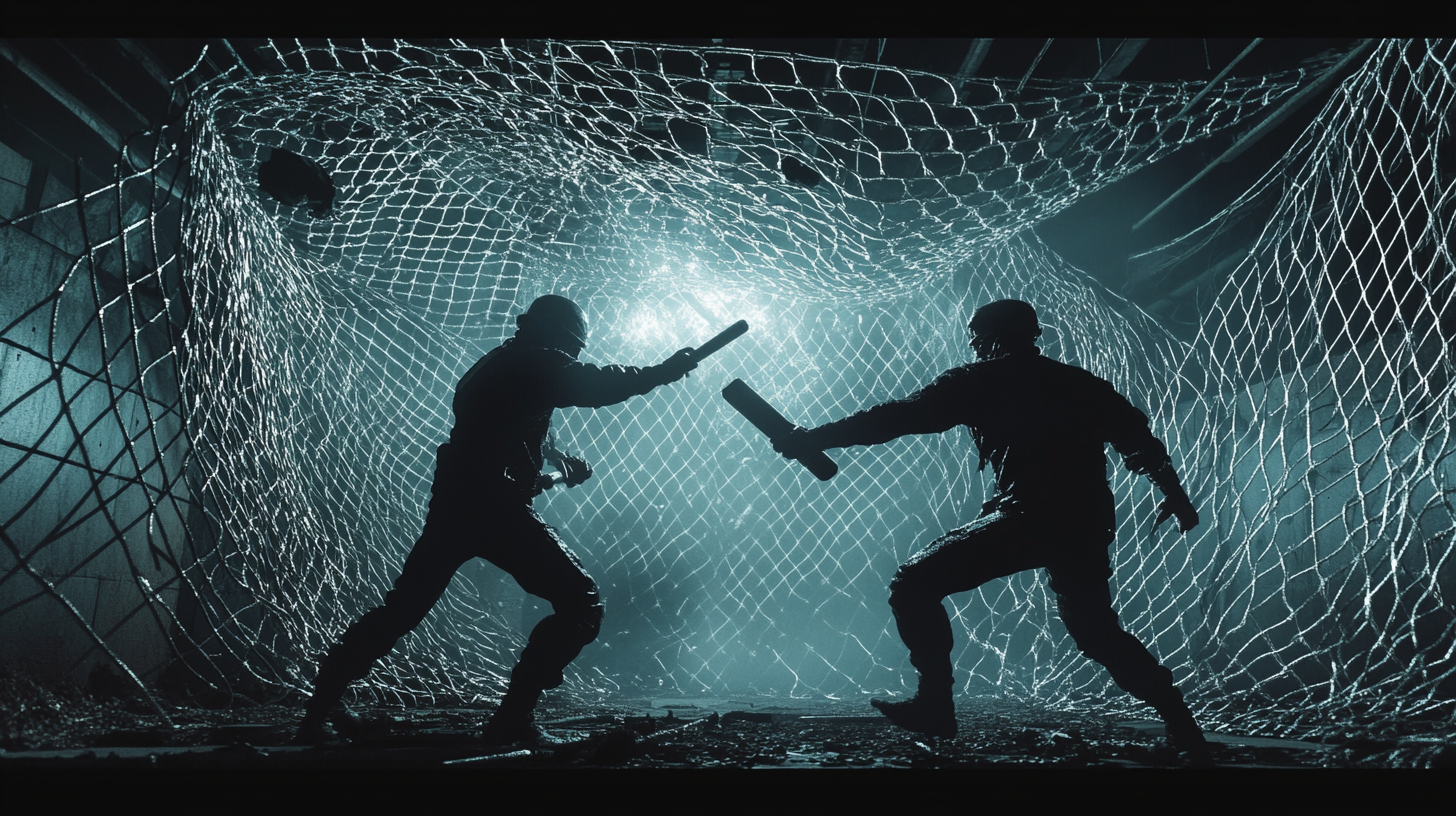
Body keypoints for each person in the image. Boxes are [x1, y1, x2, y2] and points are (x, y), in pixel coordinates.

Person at [773, 299, 1212, 764]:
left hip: (1029, 516)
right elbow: (1139, 442)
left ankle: (936, 704)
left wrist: (814, 437)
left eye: (975, 336)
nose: (972, 344)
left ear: (989, 338)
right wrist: (1176, 495)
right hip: (1084, 521)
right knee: (1097, 632)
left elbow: (897, 418)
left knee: (913, 585)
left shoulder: (979, 380)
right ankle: (1181, 722)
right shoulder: (1080, 383)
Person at [298, 294, 698, 745]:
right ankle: (512, 721)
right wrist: (662, 372)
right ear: (558, 338)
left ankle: (319, 711)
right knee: (581, 605)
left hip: (458, 503)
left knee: (402, 609)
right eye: (571, 348)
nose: (569, 357)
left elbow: (519, 428)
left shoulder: (502, 363)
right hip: (493, 509)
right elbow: (596, 386)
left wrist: (557, 461)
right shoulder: (534, 363)